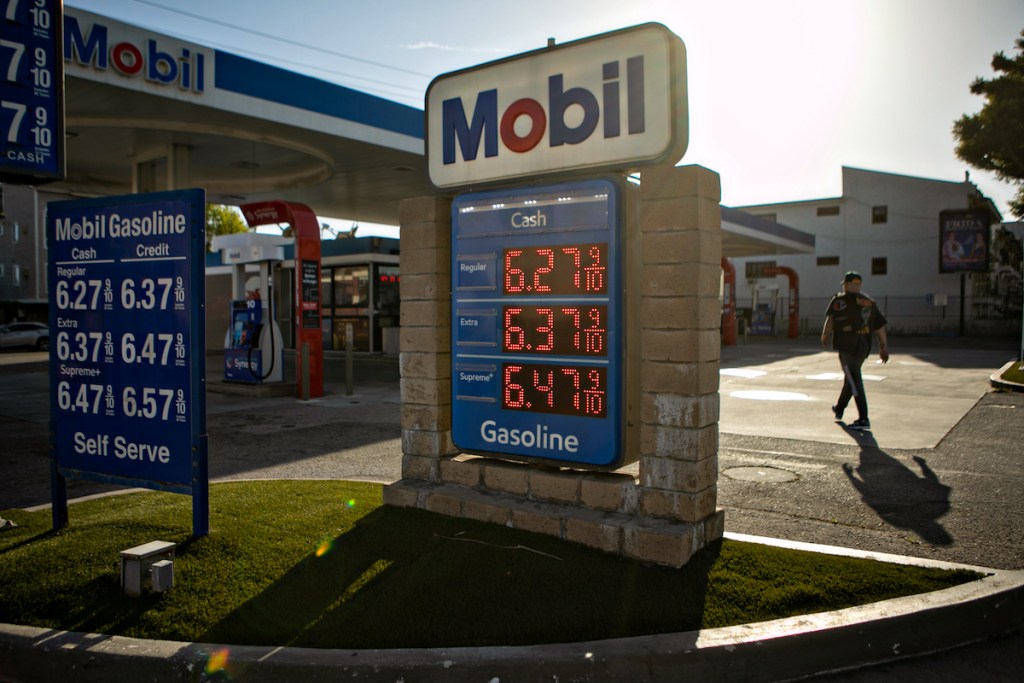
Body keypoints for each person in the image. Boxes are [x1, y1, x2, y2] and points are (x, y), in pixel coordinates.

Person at [820, 271, 889, 430]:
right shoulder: (869, 302)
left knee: (854, 379)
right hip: (863, 347)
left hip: (846, 346)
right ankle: (839, 407)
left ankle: (863, 418)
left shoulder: (839, 301)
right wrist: (883, 347)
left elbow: (831, 320)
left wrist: (825, 335)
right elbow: (879, 327)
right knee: (851, 378)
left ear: (846, 284)